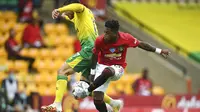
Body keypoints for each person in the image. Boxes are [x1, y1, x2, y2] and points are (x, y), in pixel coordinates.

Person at [41, 1, 121, 112]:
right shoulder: (81, 17)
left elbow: (77, 6)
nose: (68, 14)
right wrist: (63, 14)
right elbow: (72, 17)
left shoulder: (81, 9)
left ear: (71, 7)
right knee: (86, 89)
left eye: (68, 10)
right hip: (95, 53)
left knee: (62, 71)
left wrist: (60, 10)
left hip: (89, 49)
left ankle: (57, 104)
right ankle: (114, 103)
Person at [81, 20, 170, 112]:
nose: (105, 35)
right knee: (97, 100)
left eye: (108, 32)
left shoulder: (126, 38)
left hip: (118, 67)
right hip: (102, 66)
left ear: (115, 33)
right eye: (105, 32)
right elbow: (95, 56)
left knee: (107, 71)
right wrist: (92, 73)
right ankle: (114, 106)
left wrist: (159, 51)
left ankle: (88, 90)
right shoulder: (100, 40)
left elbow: (141, 44)